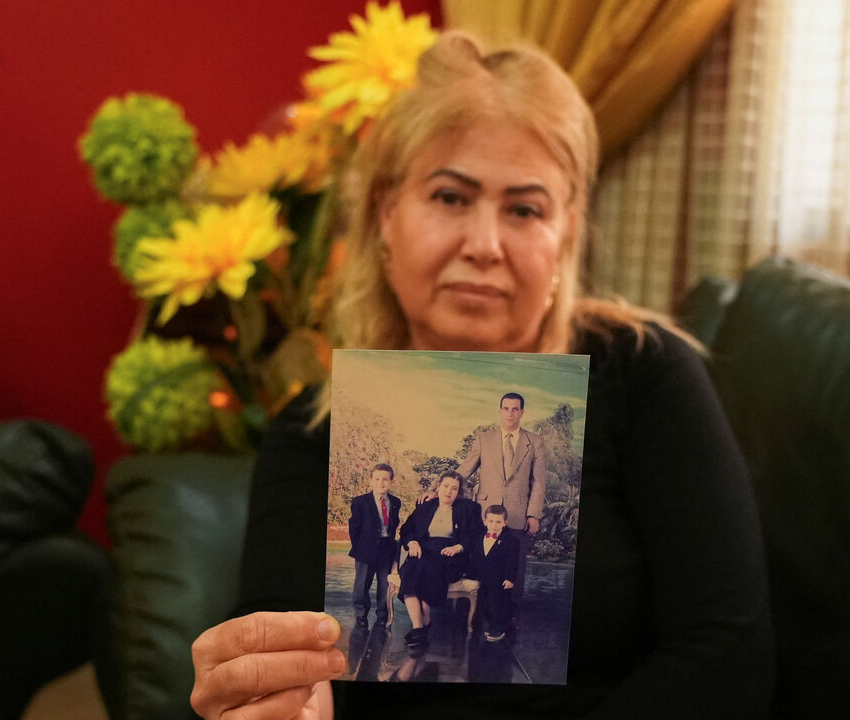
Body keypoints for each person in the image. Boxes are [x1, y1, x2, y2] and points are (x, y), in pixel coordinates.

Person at [190, 30, 773, 719]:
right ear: (386, 216)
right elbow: (285, 677)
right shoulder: (312, 432)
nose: (485, 245)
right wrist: (269, 697)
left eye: (525, 209)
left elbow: (727, 656)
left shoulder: (644, 375)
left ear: (565, 235)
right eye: (450, 198)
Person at [455, 391, 545, 616]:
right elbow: (464, 470)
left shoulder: (534, 442)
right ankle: (474, 613)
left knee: (515, 568)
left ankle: (510, 614)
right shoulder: (484, 439)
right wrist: (437, 490)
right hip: (485, 514)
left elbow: (539, 481)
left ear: (522, 412)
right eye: (506, 408)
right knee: (478, 562)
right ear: (500, 410)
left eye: (515, 409)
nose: (510, 413)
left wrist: (533, 514)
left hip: (517, 515)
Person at [394, 471, 482, 651]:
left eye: (454, 488)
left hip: (450, 554)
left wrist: (459, 547)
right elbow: (406, 529)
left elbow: (476, 535)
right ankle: (420, 628)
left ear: (459, 491)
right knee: (410, 570)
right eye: (445, 486)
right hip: (422, 550)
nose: (449, 491)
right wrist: (412, 542)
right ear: (438, 486)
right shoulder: (425, 506)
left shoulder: (469, 508)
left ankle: (419, 629)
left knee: (427, 568)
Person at [347, 463, 402, 629]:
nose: (381, 483)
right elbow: (354, 527)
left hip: (386, 548)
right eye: (377, 479)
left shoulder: (395, 502)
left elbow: (393, 524)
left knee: (384, 584)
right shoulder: (360, 502)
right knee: (362, 584)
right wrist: (359, 547)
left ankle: (382, 615)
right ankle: (361, 614)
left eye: (385, 479)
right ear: (370, 481)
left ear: (391, 481)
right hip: (366, 548)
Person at [472, 504, 518, 643]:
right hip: (482, 577)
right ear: (484, 521)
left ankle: (499, 626)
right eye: (491, 521)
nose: (494, 525)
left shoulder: (511, 541)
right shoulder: (479, 537)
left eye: (498, 522)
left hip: (499, 580)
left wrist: (509, 578)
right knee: (484, 602)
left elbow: (512, 561)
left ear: (505, 523)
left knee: (498, 603)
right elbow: (475, 557)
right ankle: (489, 624)